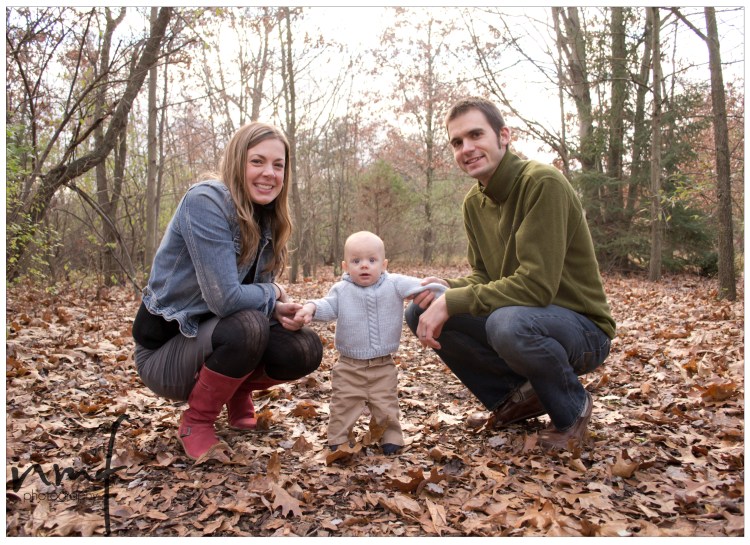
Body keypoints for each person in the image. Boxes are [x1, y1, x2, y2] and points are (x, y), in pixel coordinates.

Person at [406, 97, 616, 451]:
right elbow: (484, 276)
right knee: (421, 309)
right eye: (457, 142)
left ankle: (572, 410)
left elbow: (536, 286)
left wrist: (454, 300)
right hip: (528, 317)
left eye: (476, 135)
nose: (466, 148)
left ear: (504, 136)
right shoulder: (474, 203)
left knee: (507, 323)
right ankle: (517, 397)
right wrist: (447, 289)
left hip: (583, 329)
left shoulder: (542, 183)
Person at [132, 122, 323, 462]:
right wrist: (274, 292)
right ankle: (197, 421)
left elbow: (244, 296)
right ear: (237, 162)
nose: (269, 173)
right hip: (164, 354)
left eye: (278, 165)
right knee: (249, 326)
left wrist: (276, 308)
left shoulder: (268, 217)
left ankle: (235, 391)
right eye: (257, 161)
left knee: (305, 347)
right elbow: (226, 300)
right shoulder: (206, 201)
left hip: (218, 337)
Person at [295, 231, 446, 455]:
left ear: (384, 264)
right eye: (356, 261)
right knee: (343, 404)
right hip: (349, 366)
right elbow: (328, 305)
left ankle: (391, 437)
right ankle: (338, 439)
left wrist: (444, 294)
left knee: (386, 404)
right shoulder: (342, 290)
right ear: (345, 266)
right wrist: (310, 308)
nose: (364, 265)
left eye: (372, 260)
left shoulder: (394, 283)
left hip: (383, 365)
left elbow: (423, 286)